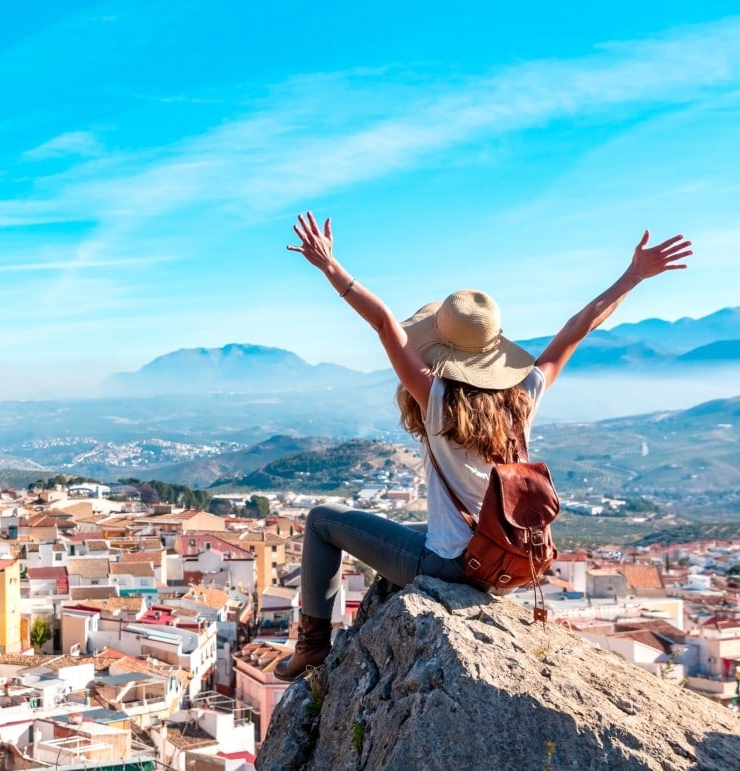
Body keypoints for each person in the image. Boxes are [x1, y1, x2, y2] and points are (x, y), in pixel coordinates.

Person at [274, 212, 692, 681]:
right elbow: (579, 328)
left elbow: (384, 323)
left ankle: (312, 647)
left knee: (322, 521)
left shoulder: (435, 399)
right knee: (400, 524)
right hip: (503, 565)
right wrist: (633, 276)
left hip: (450, 566)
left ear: (441, 349)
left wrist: (330, 265)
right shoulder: (524, 398)